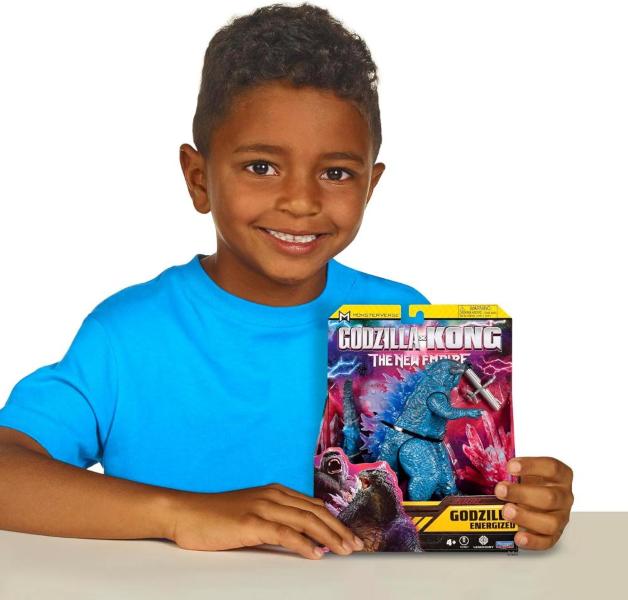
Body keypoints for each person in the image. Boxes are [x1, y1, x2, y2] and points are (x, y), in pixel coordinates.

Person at [0, 3, 573, 559]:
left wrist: (519, 505)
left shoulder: (401, 322)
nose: (301, 200)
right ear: (198, 179)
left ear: (370, 186)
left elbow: (441, 497)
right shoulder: (126, 335)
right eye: (261, 167)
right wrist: (182, 514)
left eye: (336, 172)